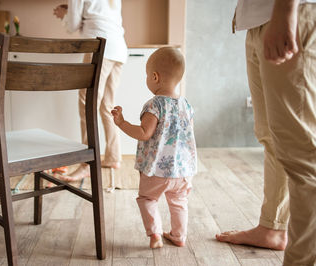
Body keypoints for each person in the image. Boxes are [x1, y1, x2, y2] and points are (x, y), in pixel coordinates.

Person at [216, 0, 316, 264]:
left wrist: (285, 11)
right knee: (272, 137)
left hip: (290, 14)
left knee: (303, 153)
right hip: (259, 20)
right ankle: (273, 226)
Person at [111, 47, 197, 249]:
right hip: (183, 170)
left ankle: (155, 235)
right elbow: (188, 136)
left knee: (148, 199)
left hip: (157, 170)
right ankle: (178, 236)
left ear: (154, 77)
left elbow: (144, 133)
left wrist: (122, 123)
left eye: (146, 76)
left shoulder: (154, 105)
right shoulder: (187, 105)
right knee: (179, 202)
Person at [53, 0, 127, 181]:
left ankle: (87, 164)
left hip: (99, 48)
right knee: (106, 105)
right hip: (118, 49)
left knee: (88, 102)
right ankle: (113, 157)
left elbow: (72, 26)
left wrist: (65, 15)